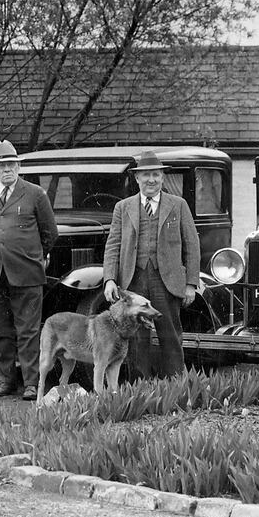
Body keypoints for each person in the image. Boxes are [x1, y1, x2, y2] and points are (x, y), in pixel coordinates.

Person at [0, 140, 57, 401]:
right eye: (2, 165)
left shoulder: (35, 194)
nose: (7, 169)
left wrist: (30, 256)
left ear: (18, 166)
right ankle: (6, 381)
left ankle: (31, 384)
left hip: (26, 273)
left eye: (12, 164)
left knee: (28, 330)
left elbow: (49, 233)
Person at [102, 150, 201, 381]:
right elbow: (113, 245)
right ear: (137, 178)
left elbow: (192, 245)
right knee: (136, 338)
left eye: (156, 175)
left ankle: (175, 386)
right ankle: (140, 387)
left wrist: (191, 284)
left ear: (163, 178)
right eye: (146, 175)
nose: (151, 180)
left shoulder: (178, 204)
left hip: (167, 280)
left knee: (170, 335)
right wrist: (109, 279)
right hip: (133, 280)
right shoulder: (123, 207)